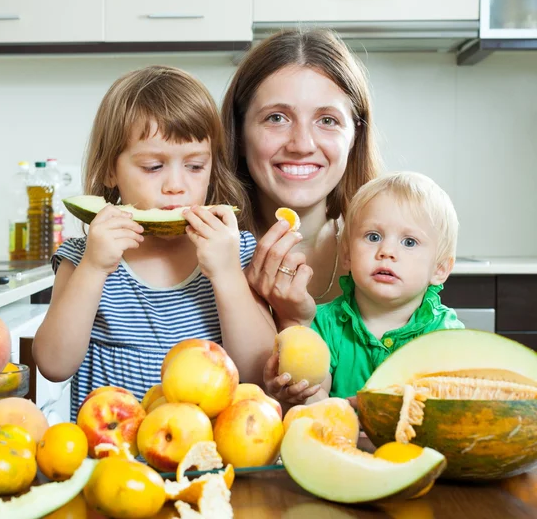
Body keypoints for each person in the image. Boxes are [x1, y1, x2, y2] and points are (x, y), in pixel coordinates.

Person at [32, 66, 275, 420]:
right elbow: (53, 364)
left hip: (205, 459)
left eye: (194, 166)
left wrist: (226, 275)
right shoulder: (85, 256)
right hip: (110, 462)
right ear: (110, 171)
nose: (176, 185)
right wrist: (94, 268)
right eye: (152, 166)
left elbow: (258, 372)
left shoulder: (232, 251)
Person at [221, 28, 382, 403]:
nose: (301, 145)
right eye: (276, 118)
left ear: (355, 136)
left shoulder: (390, 253)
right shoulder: (208, 260)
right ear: (239, 134)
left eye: (327, 120)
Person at [308, 171, 464, 403]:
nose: (387, 251)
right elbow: (313, 400)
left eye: (409, 242)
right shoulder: (322, 325)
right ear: (347, 254)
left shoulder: (446, 334)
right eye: (373, 237)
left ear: (439, 269)